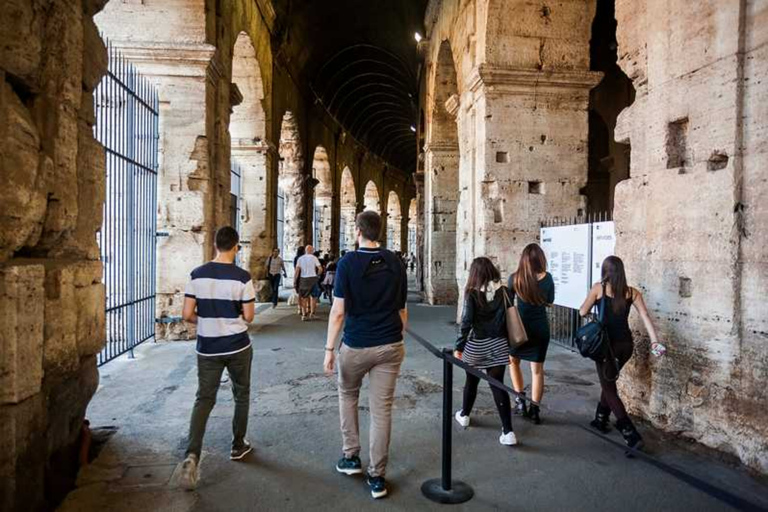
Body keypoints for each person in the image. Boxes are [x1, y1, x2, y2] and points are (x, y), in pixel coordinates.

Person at [323, 211, 407, 500]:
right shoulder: (395, 262)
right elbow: (402, 310)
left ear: (358, 231)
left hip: (356, 345)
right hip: (389, 345)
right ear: (379, 232)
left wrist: (329, 349)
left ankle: (350, 457)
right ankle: (377, 477)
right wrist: (397, 337)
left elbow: (338, 312)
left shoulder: (347, 263)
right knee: (381, 410)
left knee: (348, 395)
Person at [178, 226, 256, 490]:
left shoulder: (196, 275)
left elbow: (187, 314)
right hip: (237, 346)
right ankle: (237, 445)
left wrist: (207, 320)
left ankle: (192, 454)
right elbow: (249, 316)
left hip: (208, 347)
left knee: (203, 399)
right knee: (241, 394)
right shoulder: (242, 277)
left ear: (214, 245)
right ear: (236, 247)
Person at [579, 255, 663, 450]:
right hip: (626, 346)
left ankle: (630, 434)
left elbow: (583, 312)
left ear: (605, 271)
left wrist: (594, 305)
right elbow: (645, 316)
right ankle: (600, 418)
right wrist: (655, 341)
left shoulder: (598, 288)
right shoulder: (632, 293)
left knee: (609, 388)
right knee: (608, 380)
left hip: (606, 347)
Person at [453, 257, 517, 446]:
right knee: (498, 385)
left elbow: (466, 322)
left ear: (475, 274)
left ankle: (464, 415)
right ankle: (508, 431)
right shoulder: (505, 292)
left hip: (476, 346)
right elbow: (508, 320)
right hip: (498, 344)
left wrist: (459, 346)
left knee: (471, 382)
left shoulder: (472, 294)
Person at [507, 243, 555, 424]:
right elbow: (549, 302)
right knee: (537, 371)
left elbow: (508, 305)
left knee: (514, 362)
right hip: (540, 329)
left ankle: (520, 401)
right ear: (541, 259)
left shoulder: (514, 279)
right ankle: (535, 409)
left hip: (519, 329)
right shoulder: (548, 278)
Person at [295, 245, 322, 320]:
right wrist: (318, 275)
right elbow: (320, 269)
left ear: (306, 251)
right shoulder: (314, 258)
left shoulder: (300, 258)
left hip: (303, 279)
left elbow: (297, 270)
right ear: (311, 250)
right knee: (314, 297)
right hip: (313, 278)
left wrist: (295, 280)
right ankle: (312, 313)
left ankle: (304, 315)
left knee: (304, 297)